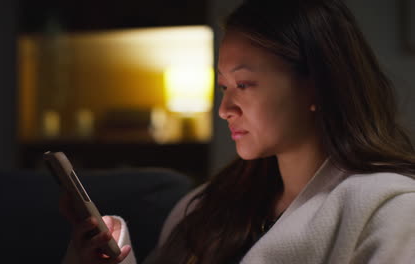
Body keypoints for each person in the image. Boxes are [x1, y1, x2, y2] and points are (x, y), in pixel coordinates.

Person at [60, 0, 415, 263]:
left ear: (316, 86)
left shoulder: (388, 208)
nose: (225, 109)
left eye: (244, 84)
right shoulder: (206, 207)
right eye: (223, 87)